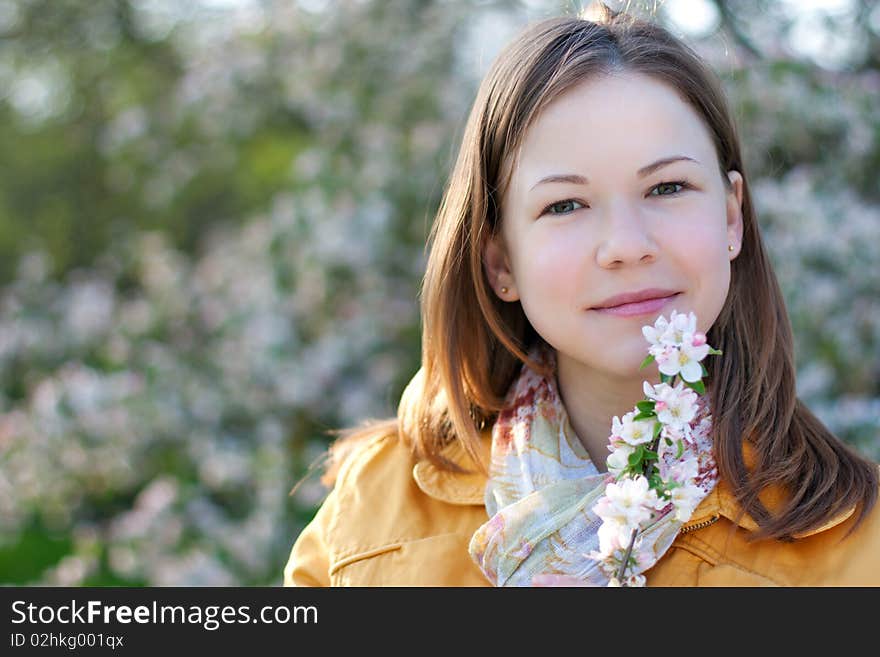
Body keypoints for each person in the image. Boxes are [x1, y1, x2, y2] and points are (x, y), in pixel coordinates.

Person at [283, 3, 880, 587]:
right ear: (500, 262)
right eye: (565, 204)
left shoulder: (855, 545)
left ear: (731, 218)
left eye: (667, 187)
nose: (625, 245)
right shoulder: (371, 516)